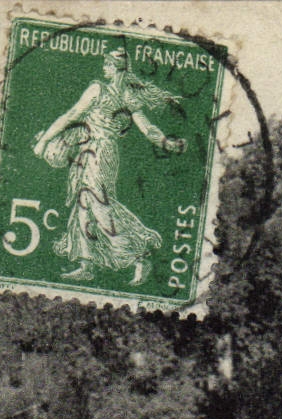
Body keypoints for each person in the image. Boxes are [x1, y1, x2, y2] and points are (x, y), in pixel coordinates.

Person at [32, 47, 186, 285]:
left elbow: (71, 115)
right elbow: (147, 128)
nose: (103, 68)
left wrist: (44, 141)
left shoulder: (102, 90)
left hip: (99, 152)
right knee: (84, 203)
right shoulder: (124, 95)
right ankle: (86, 264)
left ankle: (138, 257)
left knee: (99, 205)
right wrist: (165, 141)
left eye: (107, 65)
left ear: (116, 69)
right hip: (94, 151)